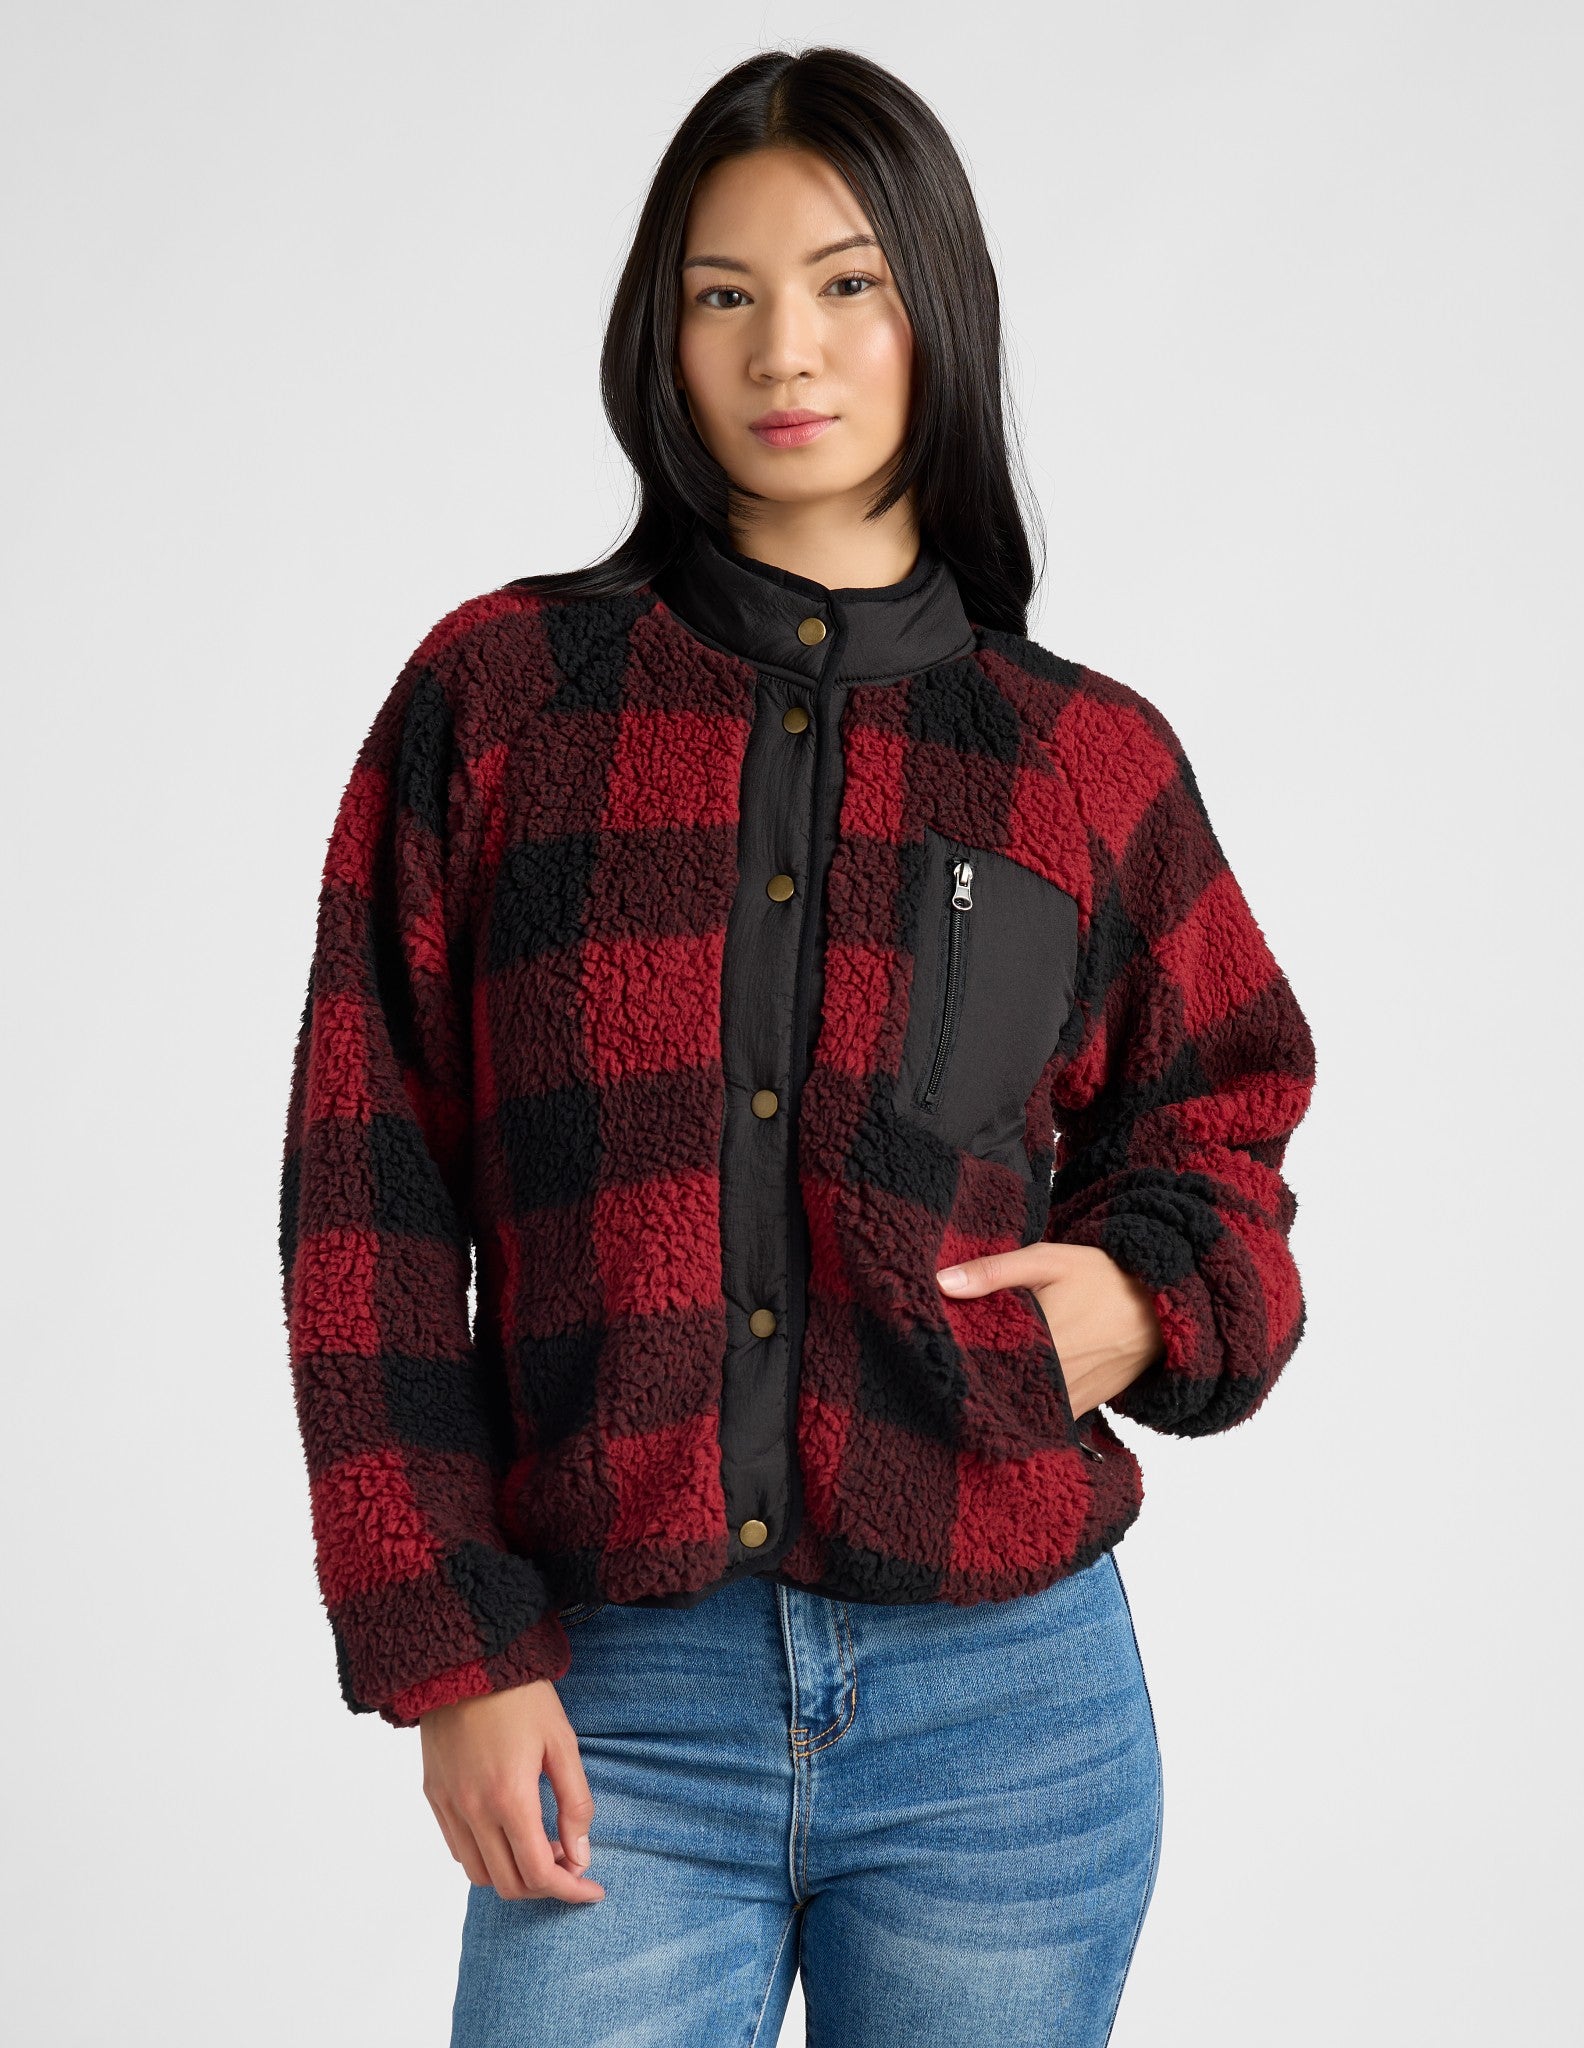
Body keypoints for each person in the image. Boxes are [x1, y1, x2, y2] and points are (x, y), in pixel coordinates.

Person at [278, 44, 1317, 2048]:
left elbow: (1227, 1120)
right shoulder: (504, 704)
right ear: (657, 334)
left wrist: (1145, 1303)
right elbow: (365, 1198)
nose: (786, 350)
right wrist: (452, 1649)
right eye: (722, 294)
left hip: (1008, 1715)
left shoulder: (1077, 758)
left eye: (847, 284)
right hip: (615, 1698)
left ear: (938, 312)